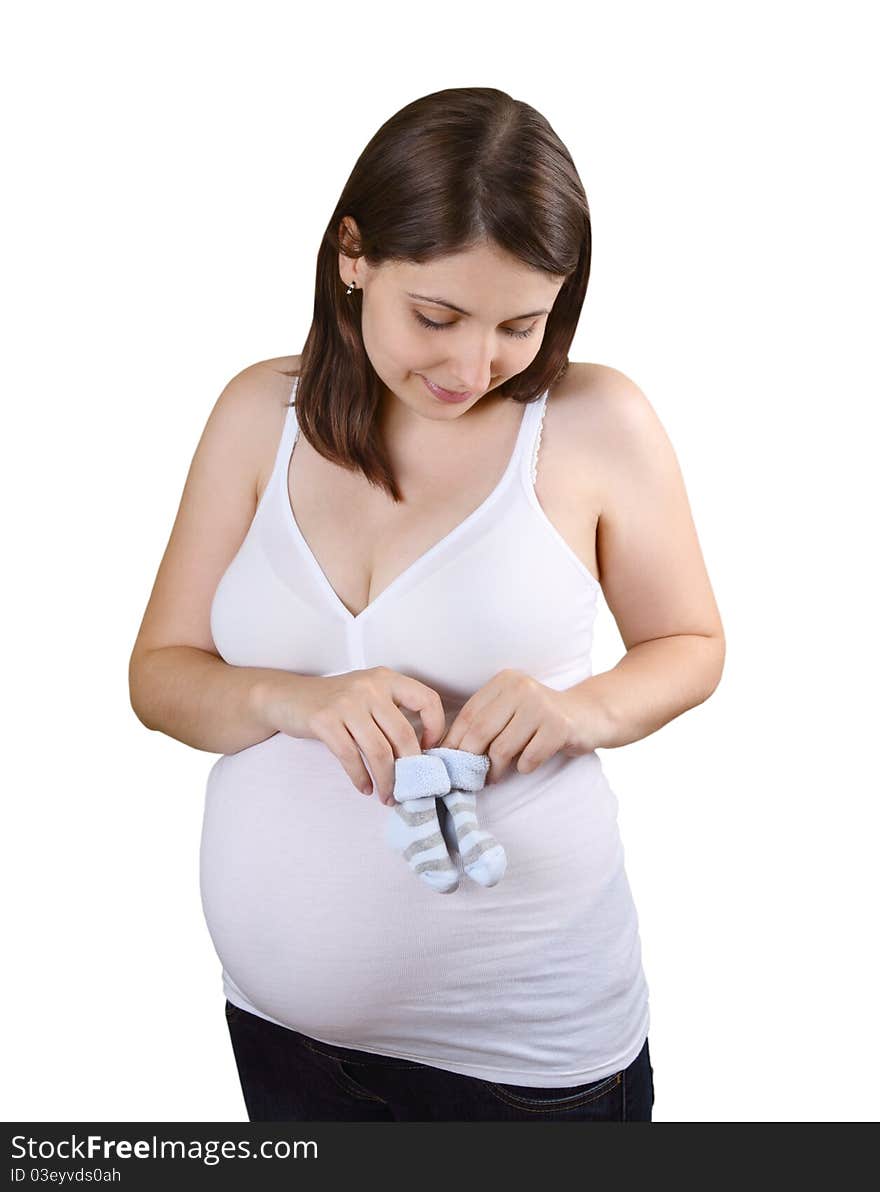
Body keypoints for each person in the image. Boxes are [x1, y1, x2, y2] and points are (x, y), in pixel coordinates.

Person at [128, 86, 725, 1122]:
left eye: (518, 326)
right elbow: (160, 674)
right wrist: (292, 700)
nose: (470, 365)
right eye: (436, 316)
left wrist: (583, 710)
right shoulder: (253, 414)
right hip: (278, 1038)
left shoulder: (594, 422)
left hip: (526, 1061)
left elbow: (690, 641)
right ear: (353, 255)